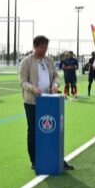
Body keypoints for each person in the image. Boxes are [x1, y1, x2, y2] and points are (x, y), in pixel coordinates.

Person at [19, 35, 73, 170]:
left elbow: (56, 76)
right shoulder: (26, 62)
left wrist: (55, 85)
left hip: (49, 101)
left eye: (46, 47)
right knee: (33, 131)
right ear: (35, 46)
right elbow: (23, 81)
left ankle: (57, 159)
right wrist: (33, 89)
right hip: (32, 102)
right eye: (42, 47)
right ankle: (34, 160)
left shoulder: (49, 60)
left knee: (52, 130)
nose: (45, 50)